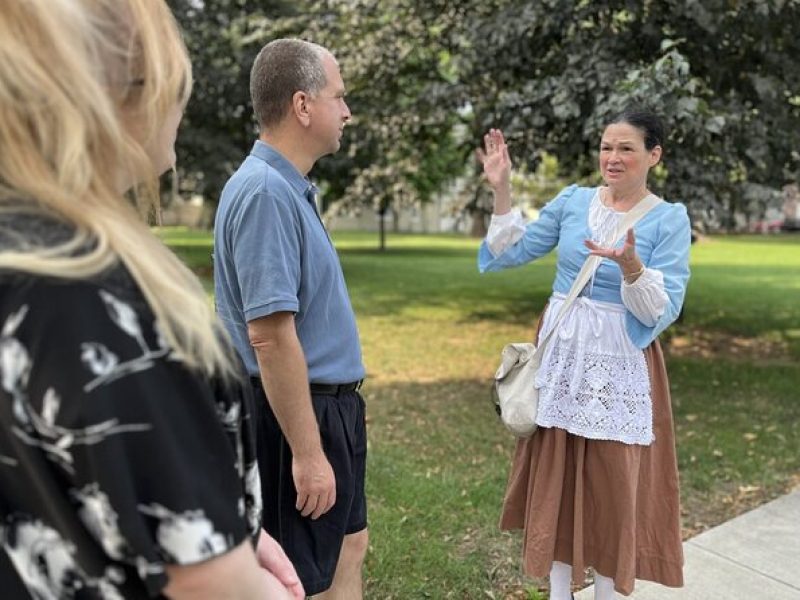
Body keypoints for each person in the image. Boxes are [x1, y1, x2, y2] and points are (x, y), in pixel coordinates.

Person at [0, 1, 304, 598]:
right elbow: (211, 588)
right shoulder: (104, 308)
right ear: (120, 94)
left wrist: (229, 525)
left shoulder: (24, 260)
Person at [477, 108, 690, 599]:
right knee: (558, 478)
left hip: (620, 363)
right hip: (563, 357)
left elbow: (663, 307)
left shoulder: (669, 219)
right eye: (606, 147)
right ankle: (558, 594)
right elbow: (513, 249)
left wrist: (634, 267)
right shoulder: (573, 202)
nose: (612, 158)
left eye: (626, 149)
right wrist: (502, 189)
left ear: (653, 155)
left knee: (615, 487)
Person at [213, 39, 368, 598]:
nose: (347, 112)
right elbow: (270, 337)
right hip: (295, 415)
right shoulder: (264, 193)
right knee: (299, 580)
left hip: (332, 407)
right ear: (303, 106)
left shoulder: (288, 188)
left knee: (350, 545)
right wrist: (307, 452)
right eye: (339, 97)